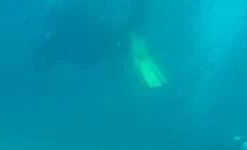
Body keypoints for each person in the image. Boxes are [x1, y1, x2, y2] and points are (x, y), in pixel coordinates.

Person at [32, 0, 165, 88]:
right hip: (83, 44)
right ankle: (127, 39)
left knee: (111, 42)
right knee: (113, 42)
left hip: (83, 46)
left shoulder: (53, 24)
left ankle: (125, 42)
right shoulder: (58, 21)